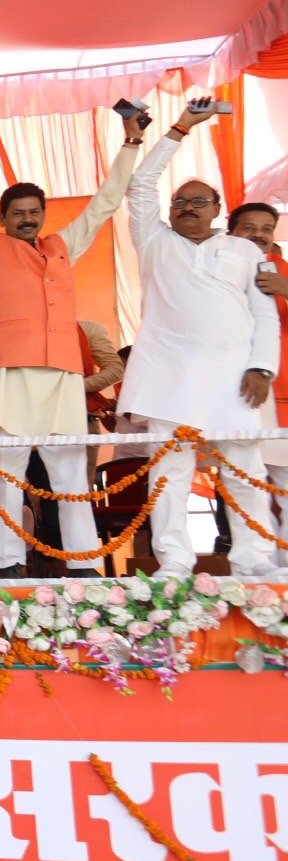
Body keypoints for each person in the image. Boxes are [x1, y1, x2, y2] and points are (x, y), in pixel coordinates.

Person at [0, 112, 142, 576]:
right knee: (7, 474)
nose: (27, 219)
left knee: (68, 474)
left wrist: (130, 144)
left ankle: (83, 565)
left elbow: (104, 205)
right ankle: (5, 565)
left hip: (63, 375)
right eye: (17, 213)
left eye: (33, 213)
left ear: (43, 216)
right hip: (9, 376)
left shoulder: (62, 246)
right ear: (0, 219)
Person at [117, 101, 278, 576]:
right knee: (170, 474)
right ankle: (175, 561)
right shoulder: (153, 241)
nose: (187, 208)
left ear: (217, 210)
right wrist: (181, 127)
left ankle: (254, 560)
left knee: (245, 471)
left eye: (198, 202)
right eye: (180, 202)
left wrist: (262, 366)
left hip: (235, 378)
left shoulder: (245, 249)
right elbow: (140, 184)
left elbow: (263, 316)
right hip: (169, 376)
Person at [229, 201, 288, 558]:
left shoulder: (281, 271)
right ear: (230, 230)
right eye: (249, 228)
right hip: (232, 391)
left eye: (267, 229)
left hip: (280, 395)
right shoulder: (215, 266)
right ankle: (255, 562)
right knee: (243, 482)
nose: (259, 236)